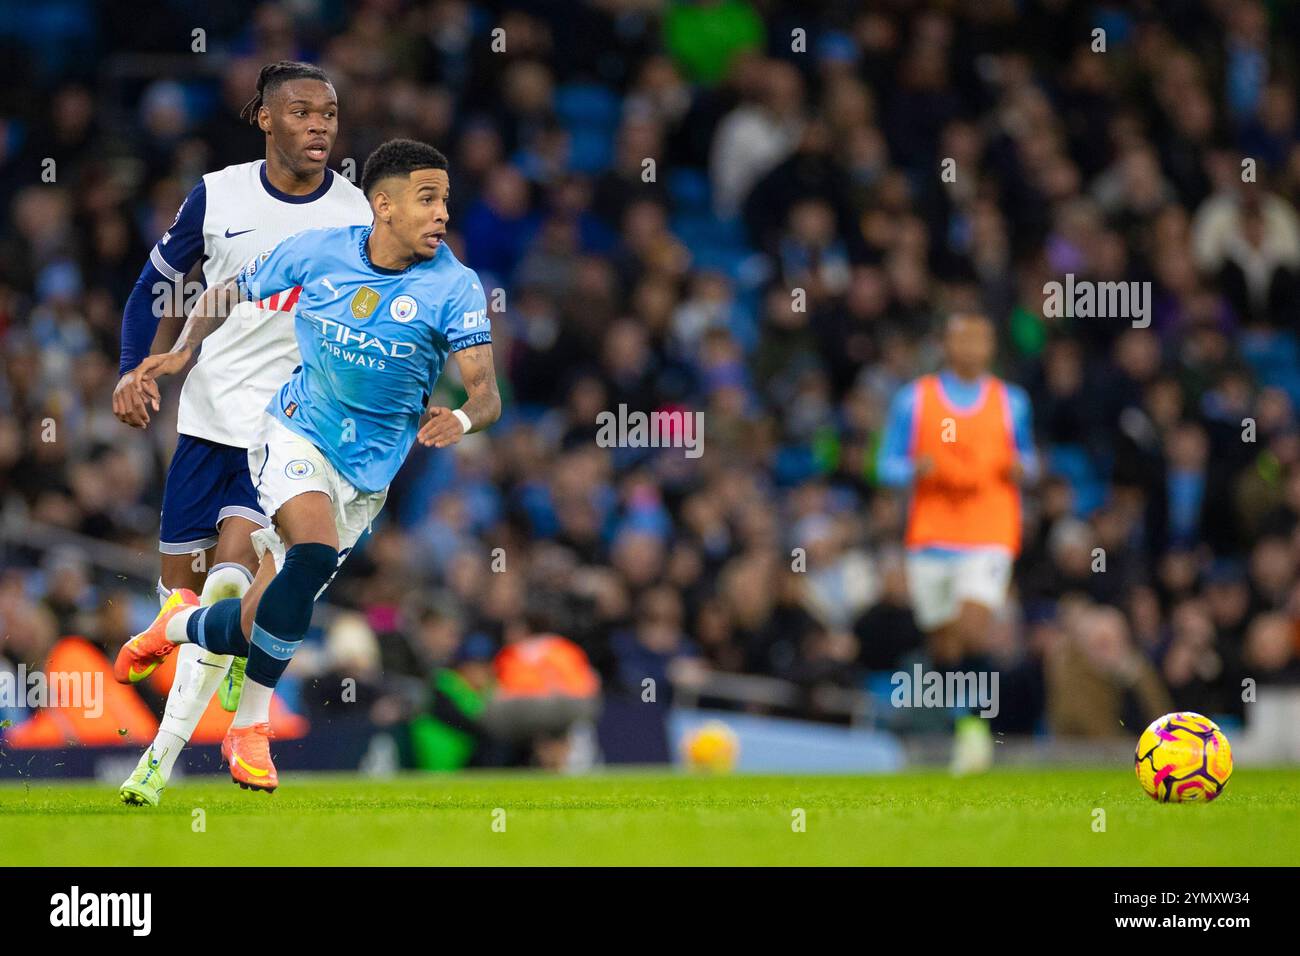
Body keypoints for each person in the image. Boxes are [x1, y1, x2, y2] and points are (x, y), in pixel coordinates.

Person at [114, 139, 501, 793]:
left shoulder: (455, 287)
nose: (441, 214)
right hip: (293, 434)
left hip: (367, 476)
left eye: (445, 200)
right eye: (426, 198)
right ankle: (251, 728)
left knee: (258, 615)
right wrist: (180, 354)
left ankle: (174, 625)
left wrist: (460, 419)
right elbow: (228, 291)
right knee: (311, 550)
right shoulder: (324, 249)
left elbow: (485, 392)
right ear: (383, 204)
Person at [112, 61, 373, 807]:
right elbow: (149, 286)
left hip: (291, 429)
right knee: (183, 601)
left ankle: (155, 765)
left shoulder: (355, 211)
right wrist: (137, 370)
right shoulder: (218, 195)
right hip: (206, 422)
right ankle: (206, 646)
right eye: (301, 113)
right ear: (264, 118)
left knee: (235, 573)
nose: (319, 126)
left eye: (329, 113)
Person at [877, 312, 1037, 773]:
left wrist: (1024, 469)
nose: (971, 347)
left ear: (990, 346)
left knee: (973, 626)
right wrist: (912, 470)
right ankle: (962, 720)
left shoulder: (1011, 401)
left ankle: (976, 732)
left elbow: (1029, 456)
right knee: (944, 643)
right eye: (961, 338)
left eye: (980, 338)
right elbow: (885, 464)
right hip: (931, 534)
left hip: (988, 530)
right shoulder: (915, 400)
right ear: (945, 345)